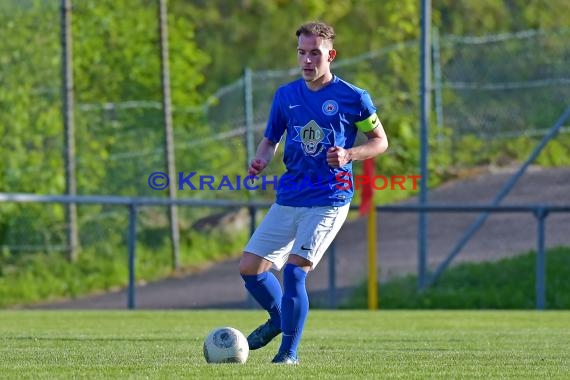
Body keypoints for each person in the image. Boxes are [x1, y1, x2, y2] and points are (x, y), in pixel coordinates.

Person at [238, 21, 389, 365]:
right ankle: (279, 319)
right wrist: (261, 160)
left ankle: (288, 354)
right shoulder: (287, 95)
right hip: (291, 195)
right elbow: (270, 139)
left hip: (329, 199)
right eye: (302, 53)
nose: (307, 60)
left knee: (294, 272)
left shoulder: (354, 98)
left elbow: (379, 142)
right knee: (250, 267)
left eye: (315, 54)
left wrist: (350, 154)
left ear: (330, 55)